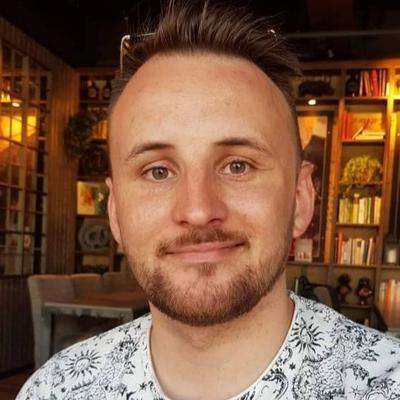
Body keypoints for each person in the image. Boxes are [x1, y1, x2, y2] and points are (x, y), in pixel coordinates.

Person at [18, 1, 400, 399]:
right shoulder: (55, 390)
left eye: (237, 166)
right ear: (114, 212)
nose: (198, 210)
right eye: (158, 171)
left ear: (301, 198)